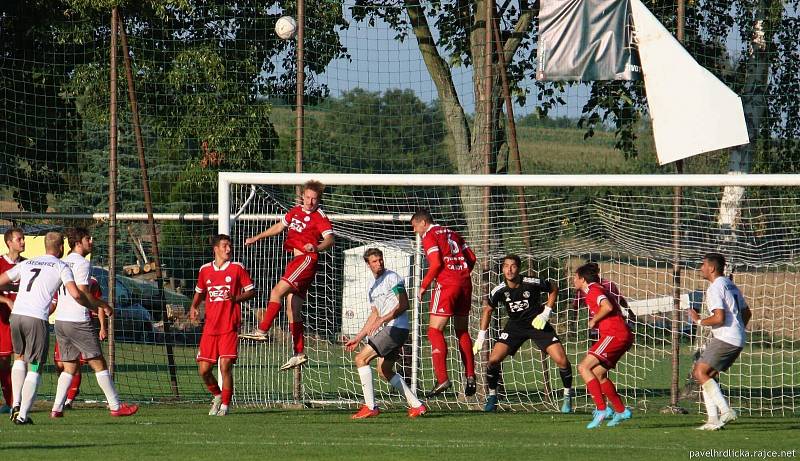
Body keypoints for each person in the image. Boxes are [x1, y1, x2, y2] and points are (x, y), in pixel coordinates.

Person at [0, 231, 111, 424]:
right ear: (61, 248)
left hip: (16, 316)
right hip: (36, 319)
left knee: (19, 358)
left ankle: (15, 403)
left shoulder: (27, 263)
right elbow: (77, 295)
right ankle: (23, 415)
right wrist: (98, 306)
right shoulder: (62, 266)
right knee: (35, 366)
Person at [240, 180, 334, 371]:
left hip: (306, 260)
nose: (310, 202)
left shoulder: (320, 217)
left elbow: (330, 239)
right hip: (298, 262)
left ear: (318, 200)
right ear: (303, 196)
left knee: (276, 292)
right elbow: (279, 227)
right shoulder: (295, 211)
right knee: (293, 309)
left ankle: (262, 330)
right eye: (307, 197)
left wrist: (316, 246)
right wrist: (256, 238)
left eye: (314, 199)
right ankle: (299, 353)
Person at [49, 228, 138, 419]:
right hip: (78, 320)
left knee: (69, 366)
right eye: (88, 238)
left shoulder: (62, 262)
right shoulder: (81, 263)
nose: (92, 241)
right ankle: (115, 406)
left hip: (61, 321)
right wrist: (103, 305)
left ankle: (57, 408)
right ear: (78, 243)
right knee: (99, 363)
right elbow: (82, 294)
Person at [474, 254, 574, 413]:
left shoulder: (530, 282)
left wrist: (545, 313)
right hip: (515, 327)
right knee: (493, 360)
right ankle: (492, 396)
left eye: (513, 266)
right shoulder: (498, 290)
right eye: (506, 266)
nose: (509, 269)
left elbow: (554, 288)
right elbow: (488, 310)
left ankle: (567, 397)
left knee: (561, 360)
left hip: (537, 324)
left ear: (518, 269)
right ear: (502, 269)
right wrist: (481, 336)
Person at [344, 248, 427, 419]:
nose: (379, 263)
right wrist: (358, 337)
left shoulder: (392, 277)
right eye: (374, 261)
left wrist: (384, 319)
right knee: (384, 370)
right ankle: (417, 406)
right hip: (391, 329)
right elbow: (374, 314)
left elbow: (404, 305)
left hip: (395, 328)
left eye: (380, 259)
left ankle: (370, 406)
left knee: (361, 359)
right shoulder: (371, 287)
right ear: (368, 264)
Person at [410, 209, 477, 398]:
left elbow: (437, 263)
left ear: (423, 222)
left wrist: (423, 286)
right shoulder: (452, 233)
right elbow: (472, 259)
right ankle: (470, 375)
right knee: (462, 331)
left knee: (434, 331)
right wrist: (461, 274)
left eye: (414, 226)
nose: (415, 231)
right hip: (465, 284)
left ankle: (442, 378)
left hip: (447, 284)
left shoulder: (430, 235)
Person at [189, 234, 255, 416]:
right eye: (225, 246)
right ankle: (217, 395)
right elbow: (200, 292)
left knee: (225, 365)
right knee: (204, 370)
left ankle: (225, 405)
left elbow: (251, 291)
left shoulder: (237, 268)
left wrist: (236, 298)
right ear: (216, 249)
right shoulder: (204, 270)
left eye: (230, 246)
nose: (229, 249)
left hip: (229, 326)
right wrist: (194, 306)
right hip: (210, 328)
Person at [687, 252, 751, 431]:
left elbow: (719, 318)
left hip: (726, 338)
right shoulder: (730, 285)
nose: (701, 268)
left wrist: (698, 321)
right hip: (736, 338)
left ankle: (725, 410)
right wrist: (738, 330)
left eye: (703, 265)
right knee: (708, 376)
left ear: (712, 268)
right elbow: (747, 313)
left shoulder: (715, 288)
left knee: (699, 372)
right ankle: (713, 420)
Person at [573, 262, 634, 429]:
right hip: (621, 335)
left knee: (583, 367)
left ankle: (602, 409)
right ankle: (621, 411)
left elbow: (606, 306)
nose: (573, 280)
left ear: (583, 279)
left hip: (614, 334)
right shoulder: (597, 289)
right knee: (599, 374)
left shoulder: (593, 291)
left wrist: (594, 320)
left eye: (575, 277)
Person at [52, 276, 105, 409]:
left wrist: (103, 327)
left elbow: (98, 303)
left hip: (82, 325)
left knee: (78, 364)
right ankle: (65, 398)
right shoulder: (63, 278)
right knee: (59, 364)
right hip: (64, 324)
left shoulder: (91, 281)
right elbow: (55, 301)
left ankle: (68, 400)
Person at [0, 227, 25, 414]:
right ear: (9, 242)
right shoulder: (0, 263)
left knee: (23, 360)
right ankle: (10, 401)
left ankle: (16, 403)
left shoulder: (27, 264)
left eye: (23, 239)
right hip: (3, 320)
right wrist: (6, 300)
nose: (23, 242)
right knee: (3, 361)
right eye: (19, 239)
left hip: (22, 319)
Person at [572, 262, 637, 331]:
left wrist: (630, 313)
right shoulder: (583, 289)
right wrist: (573, 322)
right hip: (600, 325)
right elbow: (576, 305)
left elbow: (615, 303)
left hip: (610, 325)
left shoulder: (600, 287)